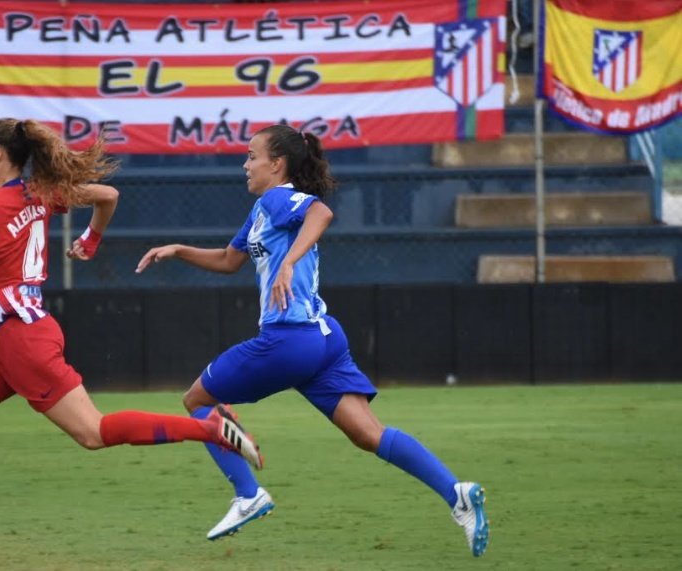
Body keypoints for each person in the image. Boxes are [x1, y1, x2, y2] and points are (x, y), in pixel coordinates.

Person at [0, 118, 262, 544]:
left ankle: (210, 429)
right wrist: (91, 240)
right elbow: (108, 194)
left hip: (21, 340)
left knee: (93, 432)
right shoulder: (42, 193)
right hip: (10, 336)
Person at [136, 124, 490, 557]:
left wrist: (289, 261)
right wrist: (178, 249)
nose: (245, 165)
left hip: (289, 340)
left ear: (277, 164)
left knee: (197, 401)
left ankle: (248, 494)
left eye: (251, 156)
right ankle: (457, 494)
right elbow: (230, 261)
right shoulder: (262, 210)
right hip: (324, 341)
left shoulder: (277, 197)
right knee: (368, 434)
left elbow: (321, 214)